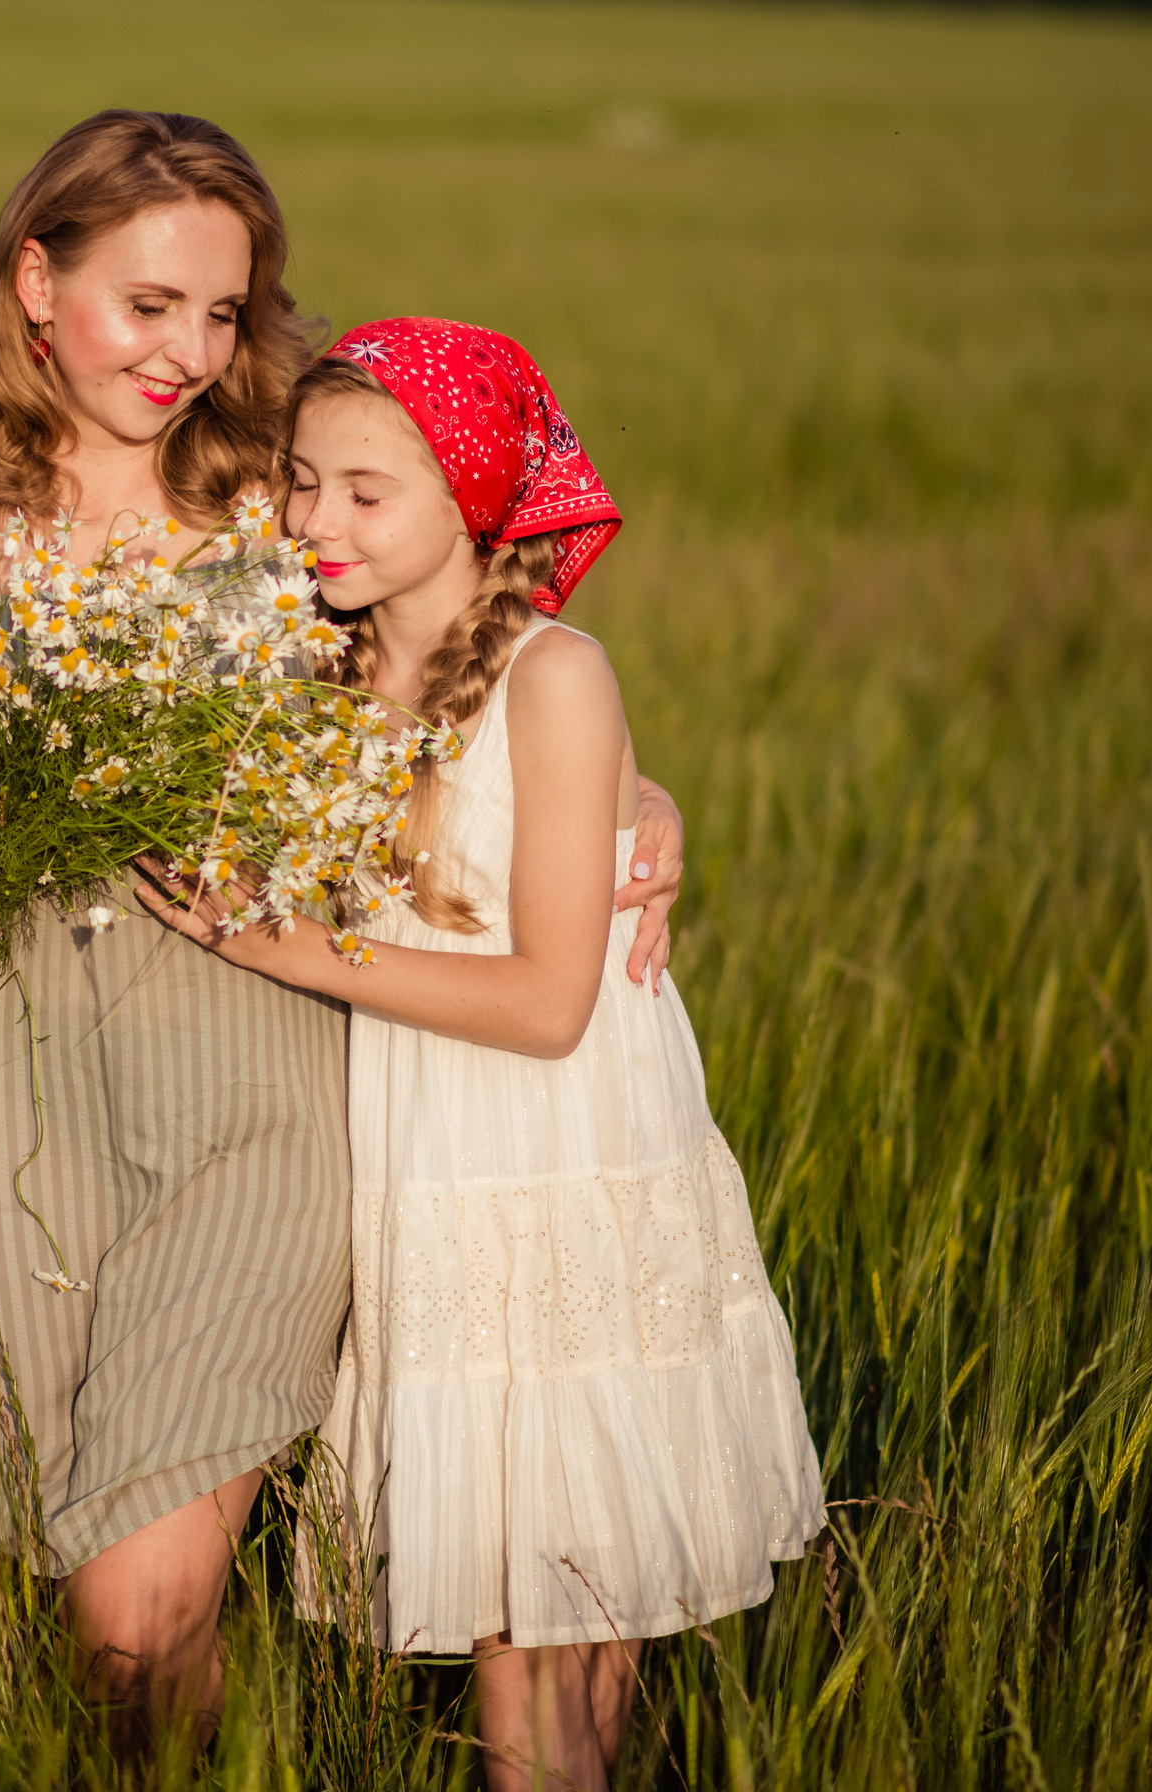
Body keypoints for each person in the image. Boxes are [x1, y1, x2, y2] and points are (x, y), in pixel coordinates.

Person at [0, 113, 688, 1753]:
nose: (187, 352)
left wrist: (638, 794)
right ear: (36, 284)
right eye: (149, 305)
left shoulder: (282, 508)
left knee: (140, 1622)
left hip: (252, 1093)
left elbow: (485, 678)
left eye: (223, 313)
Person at [139, 318, 825, 1791]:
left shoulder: (553, 675)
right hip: (427, 1158)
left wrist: (275, 945)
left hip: (553, 1154)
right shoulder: (311, 667)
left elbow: (549, 1004)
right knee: (515, 1620)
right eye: (301, 481)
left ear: (473, 501)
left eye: (365, 491)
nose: (316, 519)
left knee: (548, 1646)